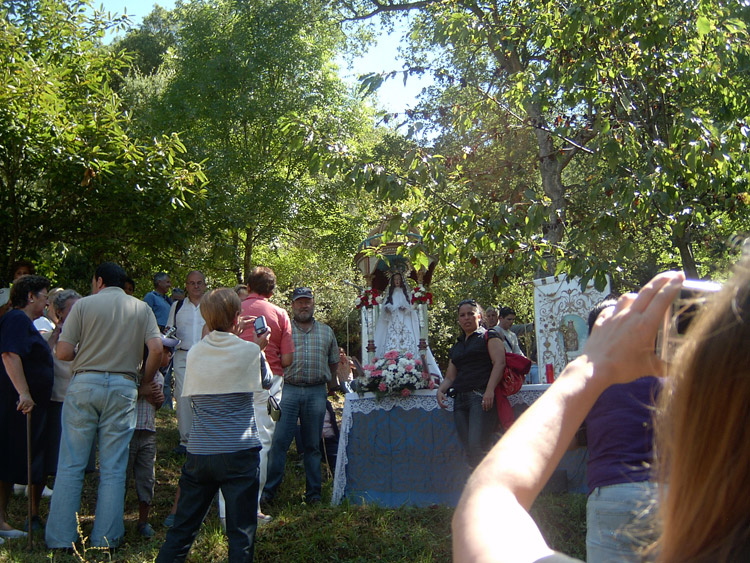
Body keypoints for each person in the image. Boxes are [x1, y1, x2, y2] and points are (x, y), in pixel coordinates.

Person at [451, 270, 750, 562]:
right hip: (674, 497)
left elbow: (486, 503)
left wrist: (586, 370)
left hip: (612, 496)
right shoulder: (677, 384)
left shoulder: (598, 383)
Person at [45, 262, 162, 550]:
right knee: (113, 466)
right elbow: (157, 349)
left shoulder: (83, 306)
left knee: (71, 463)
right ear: (122, 283)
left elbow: (62, 351)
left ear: (98, 281)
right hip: (124, 386)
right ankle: (106, 538)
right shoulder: (141, 308)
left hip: (85, 383)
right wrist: (144, 381)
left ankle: (61, 538)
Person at [155, 288, 270, 563]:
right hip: (240, 451)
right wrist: (259, 347)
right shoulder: (249, 351)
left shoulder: (194, 353)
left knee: (182, 530)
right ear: (236, 317)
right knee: (241, 534)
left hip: (201, 451)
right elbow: (265, 383)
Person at [584, 300, 661, 562]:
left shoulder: (588, 378)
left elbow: (568, 438)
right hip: (665, 493)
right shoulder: (665, 374)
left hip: (611, 491)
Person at [261, 287, 338, 506]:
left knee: (313, 445)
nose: (303, 306)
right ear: (292, 305)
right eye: (299, 302)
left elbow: (333, 361)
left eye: (307, 302)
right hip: (288, 389)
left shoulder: (326, 331)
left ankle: (313, 494)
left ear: (313, 303)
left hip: (316, 391)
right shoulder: (284, 330)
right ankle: (268, 492)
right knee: (279, 442)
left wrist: (330, 384)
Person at [237, 266, 293, 523]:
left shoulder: (234, 309)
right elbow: (288, 358)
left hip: (233, 378)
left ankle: (227, 510)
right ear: (271, 290)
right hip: (269, 381)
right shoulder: (280, 314)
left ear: (248, 287)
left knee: (230, 440)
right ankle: (252, 508)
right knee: (261, 443)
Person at [0, 275, 53, 539]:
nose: (47, 301)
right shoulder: (17, 319)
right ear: (30, 296)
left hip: (23, 404)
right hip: (15, 404)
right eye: (44, 295)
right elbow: (9, 354)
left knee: (9, 460)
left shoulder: (25, 323)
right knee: (6, 459)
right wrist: (24, 393)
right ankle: (0, 522)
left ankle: (2, 521)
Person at [436, 299, 505, 469]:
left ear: (479, 316)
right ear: (459, 320)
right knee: (468, 448)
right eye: (462, 315)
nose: (466, 318)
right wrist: (441, 390)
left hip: (480, 397)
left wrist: (489, 391)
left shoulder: (489, 336)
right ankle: (477, 488)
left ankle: (488, 487)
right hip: (460, 401)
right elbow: (450, 377)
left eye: (470, 314)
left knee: (477, 446)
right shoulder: (457, 346)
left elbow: (500, 363)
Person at [127, 333, 173, 538]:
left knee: (147, 478)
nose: (169, 355)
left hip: (148, 432)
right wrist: (140, 391)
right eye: (165, 351)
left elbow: (156, 404)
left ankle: (143, 521)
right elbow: (122, 398)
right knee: (121, 477)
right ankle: (113, 519)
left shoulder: (160, 377)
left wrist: (159, 399)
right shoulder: (132, 374)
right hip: (128, 432)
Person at [167, 270, 207, 454]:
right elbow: (169, 331)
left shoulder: (211, 304)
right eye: (192, 283)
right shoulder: (177, 306)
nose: (196, 286)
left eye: (199, 283)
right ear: (186, 285)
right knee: (183, 396)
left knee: (205, 395)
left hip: (206, 356)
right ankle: (185, 440)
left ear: (205, 285)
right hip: (182, 355)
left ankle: (204, 437)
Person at [373, 272, 441, 376]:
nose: (397, 281)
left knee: (407, 340)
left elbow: (411, 308)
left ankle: (410, 361)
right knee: (392, 340)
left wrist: (404, 308)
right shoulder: (390, 294)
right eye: (395, 279)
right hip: (393, 322)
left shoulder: (405, 293)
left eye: (398, 279)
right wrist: (388, 309)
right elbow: (385, 309)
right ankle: (390, 362)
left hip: (404, 321)